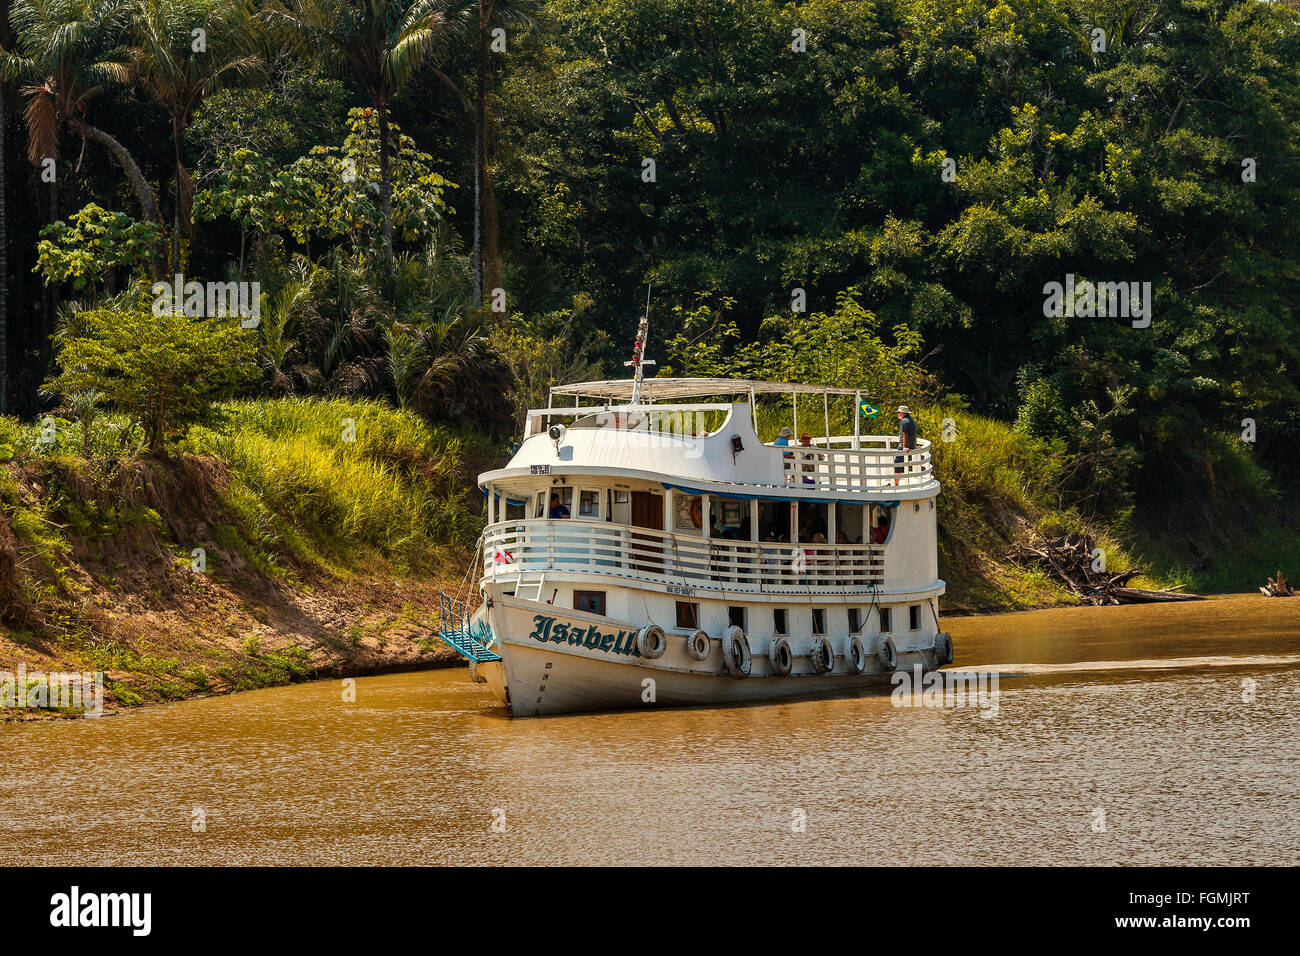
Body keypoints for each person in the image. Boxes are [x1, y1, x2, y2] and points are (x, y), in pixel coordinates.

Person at [895, 405, 917, 486]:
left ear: (902, 413)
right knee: (900, 465)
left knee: (897, 464)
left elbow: (905, 434)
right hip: (911, 446)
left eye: (898, 413)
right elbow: (914, 434)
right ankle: (896, 482)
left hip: (904, 446)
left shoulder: (904, 421)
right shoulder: (911, 420)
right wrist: (914, 445)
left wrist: (904, 446)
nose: (898, 414)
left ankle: (895, 483)